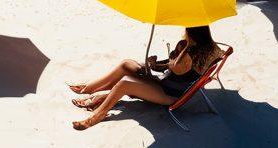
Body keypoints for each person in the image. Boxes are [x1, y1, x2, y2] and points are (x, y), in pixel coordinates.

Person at [69, 26, 224, 131]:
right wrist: (154, 64)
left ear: (192, 32)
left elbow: (176, 68)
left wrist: (180, 51)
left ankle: (97, 116)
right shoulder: (212, 49)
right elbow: (171, 68)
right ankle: (89, 88)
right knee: (126, 65)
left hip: (169, 94)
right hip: (166, 82)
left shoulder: (190, 51)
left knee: (125, 83)